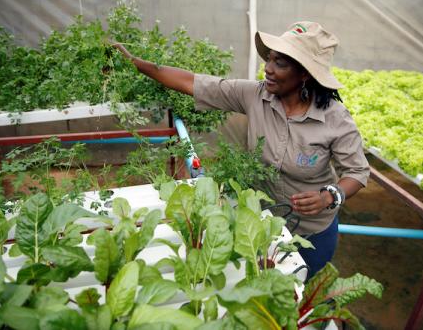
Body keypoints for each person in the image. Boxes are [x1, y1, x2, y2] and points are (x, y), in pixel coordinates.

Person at [112, 21, 370, 278]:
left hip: (312, 233)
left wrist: (329, 196)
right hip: (263, 224)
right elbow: (192, 82)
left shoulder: (335, 118)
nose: (267, 69)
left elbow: (357, 172)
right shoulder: (255, 96)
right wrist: (134, 61)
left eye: (280, 63)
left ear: (305, 74)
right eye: (269, 59)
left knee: (299, 292)